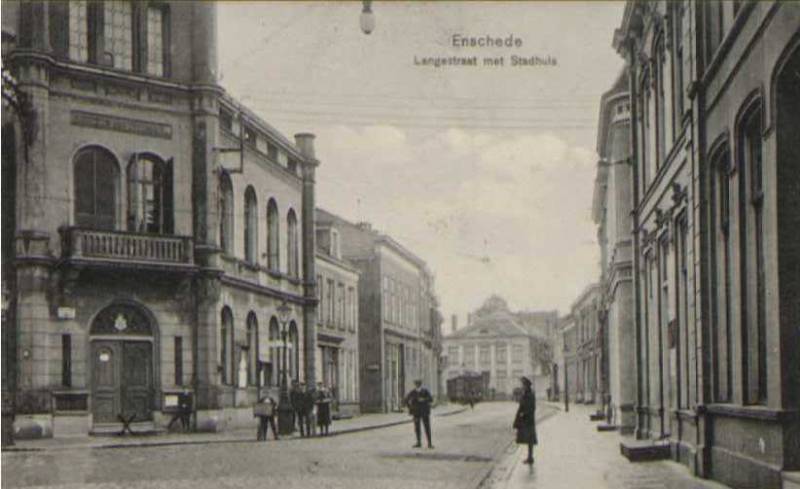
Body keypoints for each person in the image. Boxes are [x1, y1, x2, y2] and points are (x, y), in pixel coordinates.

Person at [513, 377, 537, 465]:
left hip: (528, 420)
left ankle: (530, 457)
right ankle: (530, 457)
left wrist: (524, 414)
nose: (522, 386)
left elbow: (532, 407)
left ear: (527, 386)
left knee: (530, 440)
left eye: (523, 385)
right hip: (525, 420)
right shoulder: (525, 394)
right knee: (528, 439)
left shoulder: (530, 394)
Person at [404, 379, 434, 449]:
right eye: (416, 384)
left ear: (420, 384)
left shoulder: (425, 391)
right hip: (416, 412)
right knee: (417, 428)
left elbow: (430, 399)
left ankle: (429, 443)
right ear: (415, 385)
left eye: (418, 384)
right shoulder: (413, 392)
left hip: (424, 412)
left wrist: (424, 399)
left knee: (426, 427)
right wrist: (410, 407)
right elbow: (406, 400)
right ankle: (419, 442)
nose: (417, 385)